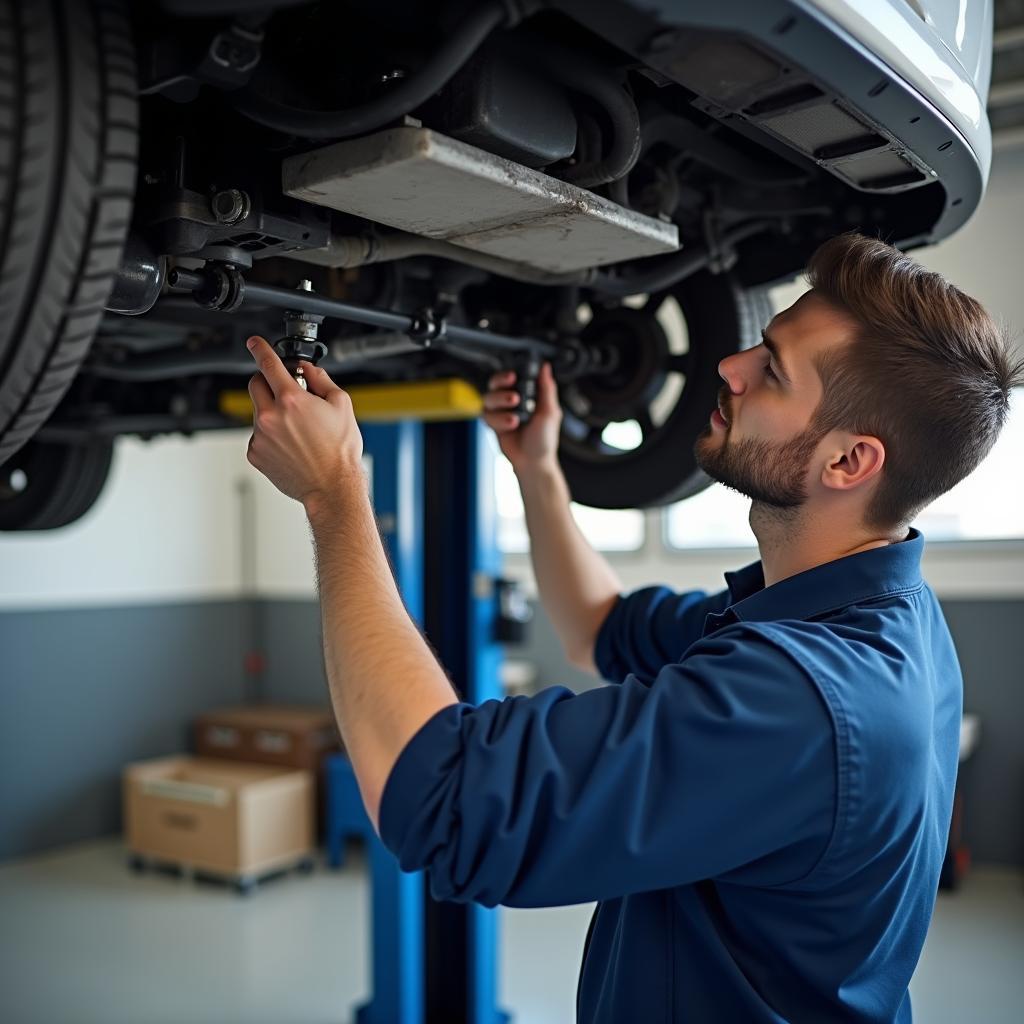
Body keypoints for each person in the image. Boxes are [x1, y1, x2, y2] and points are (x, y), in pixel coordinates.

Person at [243, 231, 1023, 1023]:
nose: (729, 366)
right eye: (760, 344)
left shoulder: (800, 699)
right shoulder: (872, 618)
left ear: (849, 463)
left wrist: (334, 493)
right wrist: (541, 474)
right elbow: (601, 627)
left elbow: (443, 802)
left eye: (773, 371)